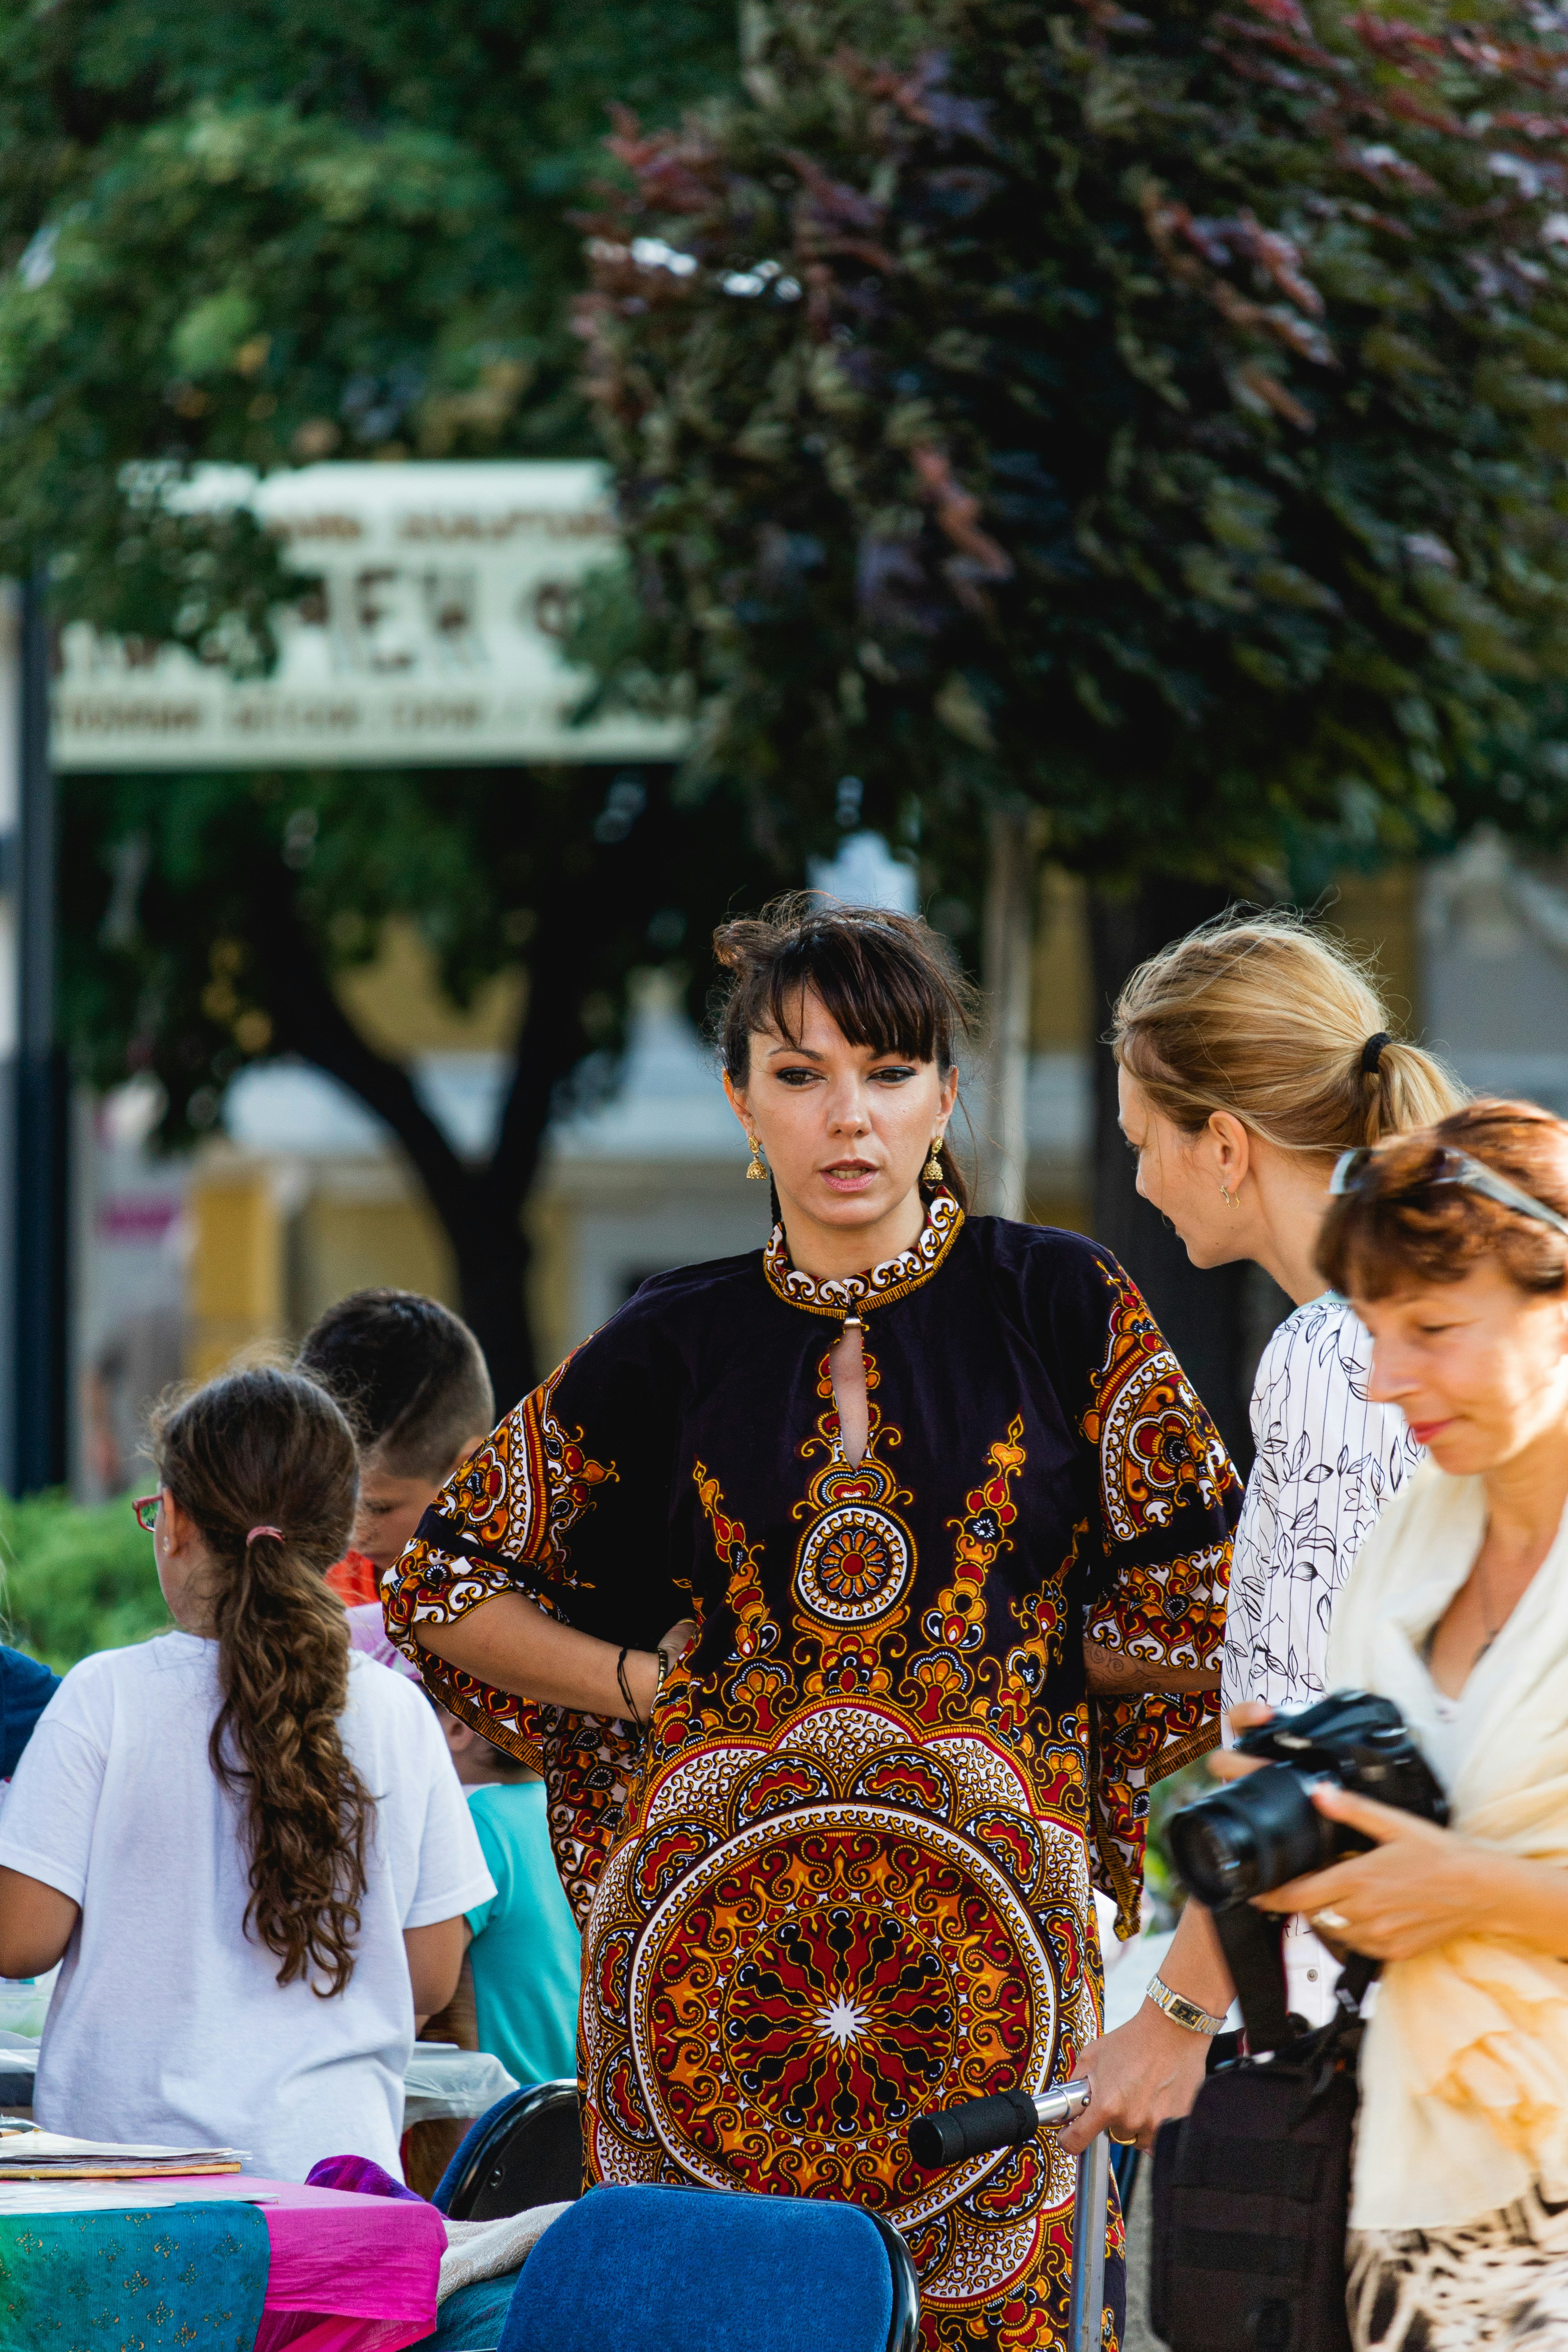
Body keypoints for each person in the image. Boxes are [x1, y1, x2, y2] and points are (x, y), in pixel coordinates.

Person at [384, 897, 1239, 2352]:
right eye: (801, 1076)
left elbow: (1224, 1608)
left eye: (890, 1073)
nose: (850, 1117)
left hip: (991, 1986)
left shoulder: (1064, 1303)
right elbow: (444, 1584)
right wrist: (642, 1684)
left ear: (945, 1097)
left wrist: (1020, 1668)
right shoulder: (669, 1339)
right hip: (703, 2001)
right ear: (742, 1103)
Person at [1221, 1099, 1568, 2349]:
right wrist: (1305, 1836)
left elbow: (1462, 1877)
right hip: (1410, 2202)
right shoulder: (1416, 1525)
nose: (1384, 1379)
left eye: (1430, 1328)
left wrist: (1470, 1890)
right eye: (1373, 1331)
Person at [1102, 911, 1462, 2058]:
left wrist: (1171, 2019)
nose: (1139, 1179)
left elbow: (1301, 1753)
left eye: (1142, 1141)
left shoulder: (1332, 1353)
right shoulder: (1450, 1319)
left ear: (1223, 1144)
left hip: (1356, 2010)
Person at [0, 1367, 494, 2181]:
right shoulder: (399, 1713)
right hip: (337, 2189)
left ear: (174, 1523)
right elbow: (432, 1976)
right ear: (338, 1533)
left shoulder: (106, 1696)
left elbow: (21, 1941)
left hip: (126, 2185)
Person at [297, 1289, 495, 1612]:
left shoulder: (518, 1590)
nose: (350, 1535)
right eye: (326, 1501)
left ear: (468, 1471)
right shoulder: (305, 1572)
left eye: (377, 1508)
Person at [439, 1708, 581, 2086]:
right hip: (575, 2098)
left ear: (457, 1728)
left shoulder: (478, 1822)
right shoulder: (575, 1817)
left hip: (500, 2102)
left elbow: (420, 1998)